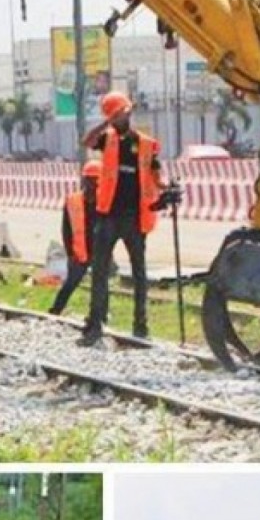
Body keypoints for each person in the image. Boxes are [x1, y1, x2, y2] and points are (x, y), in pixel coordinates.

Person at [80, 91, 164, 345]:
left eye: (122, 113)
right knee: (100, 272)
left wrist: (166, 190)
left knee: (140, 274)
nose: (120, 118)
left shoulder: (147, 144)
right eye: (115, 115)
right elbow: (87, 141)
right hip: (108, 217)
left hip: (136, 219)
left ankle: (141, 327)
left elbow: (156, 175)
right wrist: (106, 122)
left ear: (128, 112)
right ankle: (95, 325)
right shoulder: (108, 140)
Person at [48, 159, 101, 316]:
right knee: (71, 283)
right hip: (79, 253)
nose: (93, 184)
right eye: (90, 180)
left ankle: (99, 316)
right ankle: (56, 310)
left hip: (100, 251)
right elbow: (66, 229)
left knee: (100, 286)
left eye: (96, 180)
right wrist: (70, 253)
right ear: (84, 180)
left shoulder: (105, 202)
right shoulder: (73, 200)